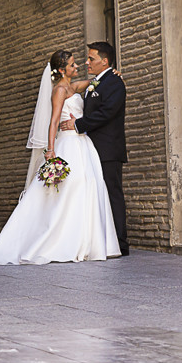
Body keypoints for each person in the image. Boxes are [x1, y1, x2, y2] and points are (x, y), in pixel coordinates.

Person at [0, 50, 120, 265]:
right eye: (73, 65)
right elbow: (54, 121)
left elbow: (96, 82)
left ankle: (87, 242)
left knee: (89, 185)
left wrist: (113, 75)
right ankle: (60, 240)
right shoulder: (59, 90)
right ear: (63, 70)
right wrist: (51, 151)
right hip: (67, 143)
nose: (77, 67)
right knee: (71, 187)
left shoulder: (73, 87)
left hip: (83, 145)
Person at [60, 41, 129, 255]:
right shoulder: (97, 82)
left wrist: (78, 124)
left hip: (108, 149)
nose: (87, 62)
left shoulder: (114, 83)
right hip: (90, 148)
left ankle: (120, 243)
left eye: (91, 59)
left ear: (105, 61)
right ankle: (102, 242)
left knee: (112, 193)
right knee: (97, 195)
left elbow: (107, 112)